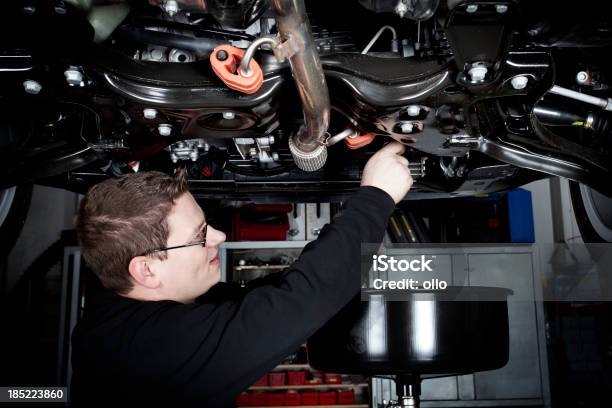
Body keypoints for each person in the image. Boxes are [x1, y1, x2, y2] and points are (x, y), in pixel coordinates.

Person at [70, 142, 413, 407]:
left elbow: (274, 295)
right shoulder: (148, 352)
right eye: (200, 235)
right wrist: (376, 198)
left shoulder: (124, 298)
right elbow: (294, 306)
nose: (218, 238)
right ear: (146, 269)